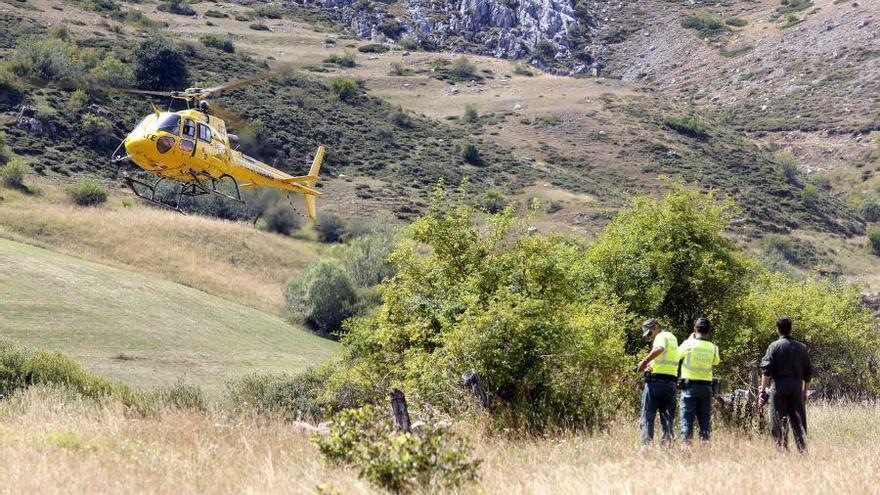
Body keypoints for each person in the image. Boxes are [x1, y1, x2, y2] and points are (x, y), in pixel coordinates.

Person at [758, 316, 812, 453]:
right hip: (796, 388)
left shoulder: (774, 346)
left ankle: (781, 451)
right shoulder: (802, 347)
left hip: (779, 387)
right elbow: (808, 373)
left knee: (778, 421)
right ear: (791, 329)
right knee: (798, 422)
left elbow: (766, 371)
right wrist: (804, 392)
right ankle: (802, 452)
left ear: (778, 330)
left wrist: (762, 392)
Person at [636, 318, 679, 446]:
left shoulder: (661, 336)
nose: (649, 337)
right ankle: (667, 449)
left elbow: (659, 349)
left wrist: (644, 362)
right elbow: (665, 357)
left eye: (650, 333)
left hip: (655, 384)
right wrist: (651, 364)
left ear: (656, 326)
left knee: (647, 416)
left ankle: (645, 448)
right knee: (667, 418)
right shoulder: (672, 338)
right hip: (670, 384)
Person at [677, 317, 720, 445]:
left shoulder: (688, 344)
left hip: (689, 388)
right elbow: (716, 361)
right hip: (706, 389)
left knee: (687, 421)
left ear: (695, 330)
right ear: (708, 332)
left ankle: (686, 449)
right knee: (705, 422)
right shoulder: (713, 347)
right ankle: (705, 449)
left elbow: (676, 355)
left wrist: (689, 340)